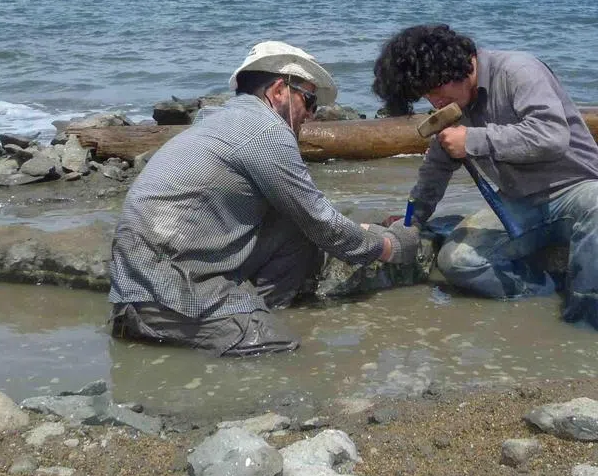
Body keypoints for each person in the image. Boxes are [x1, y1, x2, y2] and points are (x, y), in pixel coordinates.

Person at [109, 41, 421, 357]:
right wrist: (390, 247)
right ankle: (233, 326)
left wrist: (370, 228)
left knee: (293, 228)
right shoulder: (265, 130)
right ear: (278, 91)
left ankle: (251, 312)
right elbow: (321, 221)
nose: (312, 116)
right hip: (168, 296)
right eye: (310, 101)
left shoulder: (222, 121)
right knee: (285, 351)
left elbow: (306, 216)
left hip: (147, 284)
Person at [372, 24, 598, 331]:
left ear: (456, 67)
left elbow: (552, 136)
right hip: (519, 205)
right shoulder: (453, 106)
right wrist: (410, 220)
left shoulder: (519, 71)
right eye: (424, 95)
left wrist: (472, 140)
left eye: (434, 90)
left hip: (580, 192)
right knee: (456, 261)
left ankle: (586, 326)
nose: (434, 103)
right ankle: (545, 296)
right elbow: (433, 174)